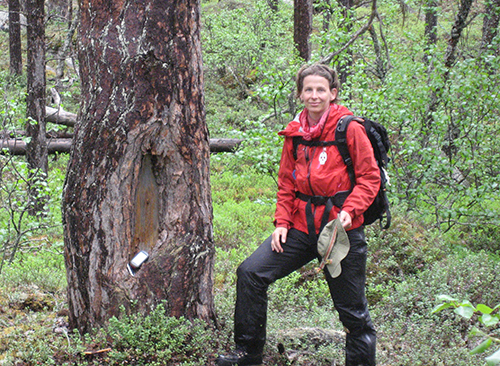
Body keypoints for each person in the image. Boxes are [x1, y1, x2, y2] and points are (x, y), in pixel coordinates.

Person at [216, 63, 380, 366]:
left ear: (332, 93)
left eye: (321, 89)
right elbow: (287, 182)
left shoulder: (350, 128)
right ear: (300, 94)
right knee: (251, 273)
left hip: (339, 232)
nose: (314, 95)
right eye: (308, 90)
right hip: (301, 228)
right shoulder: (296, 132)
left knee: (352, 311)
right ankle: (247, 355)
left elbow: (371, 178)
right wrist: (282, 223)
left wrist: (350, 211)